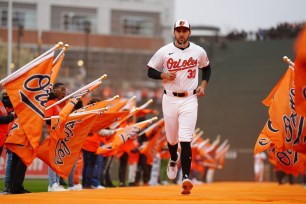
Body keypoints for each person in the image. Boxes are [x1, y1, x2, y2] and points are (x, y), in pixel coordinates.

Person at [147, 19, 211, 195]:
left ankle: (185, 178)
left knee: (186, 139)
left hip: (190, 99)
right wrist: (163, 74)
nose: (181, 33)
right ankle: (173, 158)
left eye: (184, 30)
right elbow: (150, 70)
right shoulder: (164, 51)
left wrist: (203, 85)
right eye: (178, 30)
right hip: (169, 99)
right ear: (174, 32)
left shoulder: (198, 51)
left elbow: (207, 69)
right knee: (172, 139)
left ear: (189, 32)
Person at [45, 83, 68, 192]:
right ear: (55, 91)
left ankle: (57, 183)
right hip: (53, 134)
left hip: (60, 135)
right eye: (62, 90)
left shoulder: (60, 104)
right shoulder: (51, 103)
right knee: (53, 161)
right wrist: (59, 119)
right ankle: (52, 184)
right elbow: (47, 120)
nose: (64, 92)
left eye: (65, 90)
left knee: (58, 161)